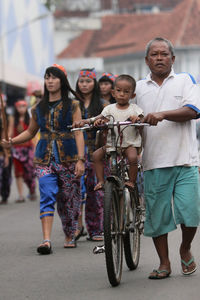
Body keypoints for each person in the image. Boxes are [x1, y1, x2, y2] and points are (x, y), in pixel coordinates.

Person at [133, 37, 200, 279]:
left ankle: (185, 247)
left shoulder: (185, 81)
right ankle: (164, 263)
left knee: (191, 213)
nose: (159, 58)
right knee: (158, 217)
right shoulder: (138, 88)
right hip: (154, 162)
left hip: (186, 160)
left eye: (164, 54)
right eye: (154, 54)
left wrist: (161, 114)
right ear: (146, 60)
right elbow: (125, 112)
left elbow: (192, 111)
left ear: (173, 58)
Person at [2, 64, 85, 253]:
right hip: (44, 159)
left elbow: (79, 133)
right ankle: (46, 240)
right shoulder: (37, 108)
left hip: (69, 158)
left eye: (54, 78)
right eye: (47, 77)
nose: (50, 81)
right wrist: (11, 141)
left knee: (68, 199)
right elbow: (31, 132)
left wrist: (80, 159)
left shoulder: (73, 105)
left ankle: (70, 233)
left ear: (62, 81)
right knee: (47, 195)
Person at [93, 74, 143, 191]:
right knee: (96, 155)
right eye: (119, 91)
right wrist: (99, 121)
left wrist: (137, 119)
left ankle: (131, 181)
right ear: (113, 93)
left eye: (126, 92)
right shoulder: (109, 109)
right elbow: (102, 118)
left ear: (132, 95)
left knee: (132, 158)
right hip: (112, 144)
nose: (122, 94)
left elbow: (141, 118)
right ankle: (101, 181)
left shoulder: (134, 108)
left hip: (129, 143)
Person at [74, 67, 105, 241]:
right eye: (81, 81)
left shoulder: (102, 105)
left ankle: (95, 229)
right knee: (75, 190)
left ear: (94, 83)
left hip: (95, 153)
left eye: (88, 81)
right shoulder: (71, 103)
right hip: (75, 153)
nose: (84, 84)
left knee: (95, 192)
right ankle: (77, 227)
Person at [11, 100, 36, 203]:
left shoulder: (30, 119)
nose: (21, 109)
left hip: (28, 149)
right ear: (16, 108)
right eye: (19, 107)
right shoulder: (13, 120)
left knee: (30, 173)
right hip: (16, 149)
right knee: (18, 173)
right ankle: (20, 195)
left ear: (26, 108)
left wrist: (35, 149)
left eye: (23, 106)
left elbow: (33, 134)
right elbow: (10, 133)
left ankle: (32, 190)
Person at [0, 94, 13, 205]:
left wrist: (6, 153)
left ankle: (5, 196)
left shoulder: (8, 117)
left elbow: (6, 135)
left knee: (6, 176)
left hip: (5, 148)